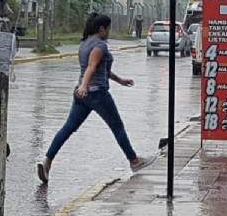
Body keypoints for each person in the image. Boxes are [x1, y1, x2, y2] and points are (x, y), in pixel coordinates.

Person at [37, 13, 155, 184]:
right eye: (108, 29)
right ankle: (134, 161)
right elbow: (91, 68)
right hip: (97, 93)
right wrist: (85, 86)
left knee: (68, 128)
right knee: (117, 127)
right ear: (101, 29)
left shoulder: (84, 44)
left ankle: (47, 162)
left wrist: (119, 80)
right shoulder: (100, 45)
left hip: (82, 95)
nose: (109, 32)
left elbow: (101, 69)